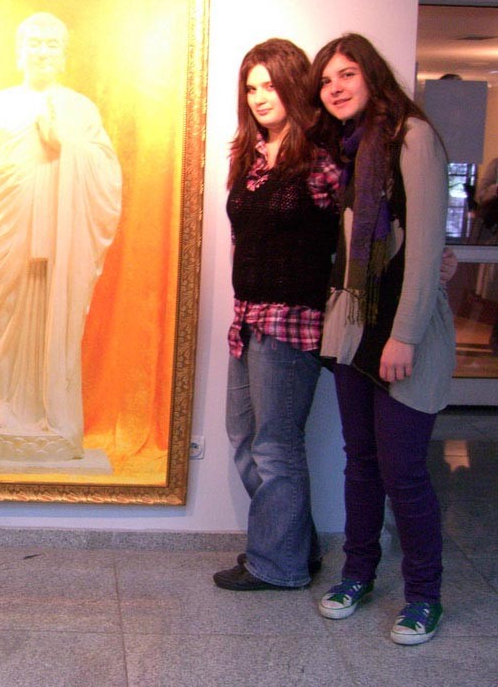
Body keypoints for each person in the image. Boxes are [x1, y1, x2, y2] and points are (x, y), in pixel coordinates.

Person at [310, 33, 455, 645]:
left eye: (347, 74)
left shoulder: (411, 137)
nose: (335, 87)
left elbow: (424, 248)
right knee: (361, 464)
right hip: (354, 331)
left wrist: (404, 337)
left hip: (401, 333)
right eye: (326, 80)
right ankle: (357, 574)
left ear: (373, 75)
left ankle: (424, 595)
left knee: (404, 472)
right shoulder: (349, 150)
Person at [0, 12, 122, 462]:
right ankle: (2, 410)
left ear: (64, 56)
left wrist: (65, 142)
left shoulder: (80, 109)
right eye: (34, 42)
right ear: (19, 51)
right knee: (7, 314)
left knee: (56, 316)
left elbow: (108, 173)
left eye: (52, 44)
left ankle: (52, 415)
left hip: (61, 232)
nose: (43, 51)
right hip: (10, 223)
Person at [211, 40, 340, 592]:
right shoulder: (250, 157)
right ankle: (296, 548)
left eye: (269, 85)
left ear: (294, 86)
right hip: (247, 319)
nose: (259, 97)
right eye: (250, 87)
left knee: (275, 446)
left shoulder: (321, 161)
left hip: (291, 323)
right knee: (243, 439)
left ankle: (278, 566)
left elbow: (360, 234)